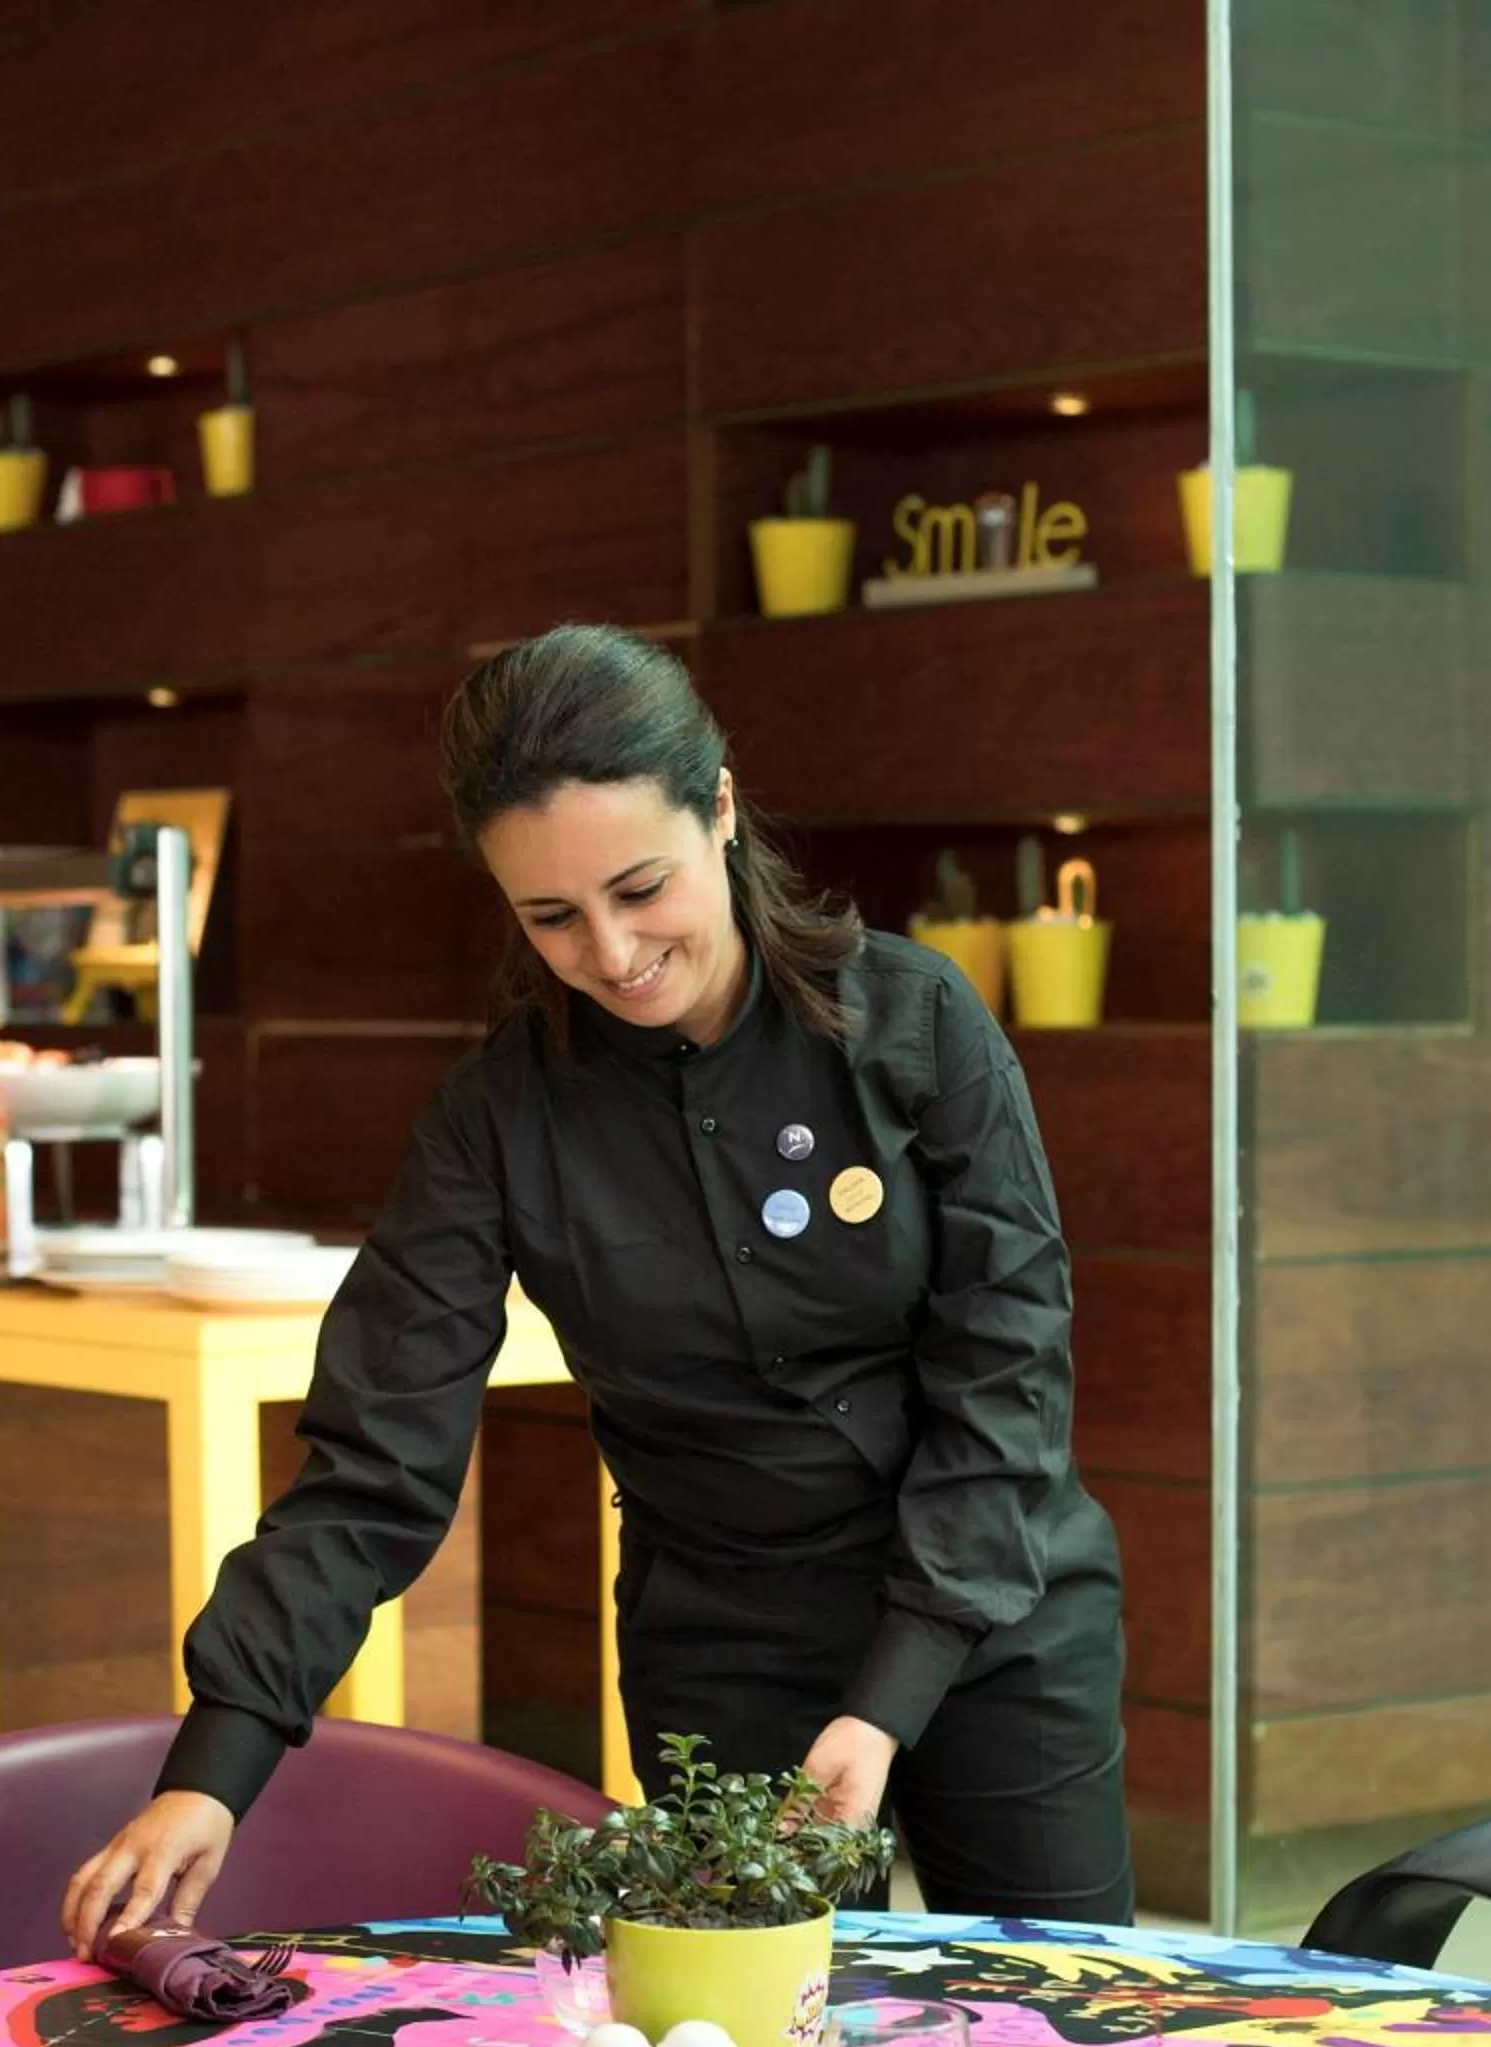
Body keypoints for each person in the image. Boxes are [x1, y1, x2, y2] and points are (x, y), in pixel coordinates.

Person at [62, 623, 1131, 1957]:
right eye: (551, 915)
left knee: (1063, 2032)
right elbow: (375, 1462)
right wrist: (213, 1767)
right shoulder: (497, 1120)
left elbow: (1008, 1382)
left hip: (991, 1613)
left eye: (642, 887)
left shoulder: (915, 1029)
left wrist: (887, 1697)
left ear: (722, 806)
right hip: (726, 1651)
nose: (614, 951)